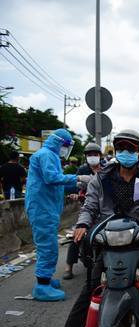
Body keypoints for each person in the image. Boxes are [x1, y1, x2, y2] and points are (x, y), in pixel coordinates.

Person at [35, 129, 139, 327]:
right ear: (116, 152)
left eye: (131, 149)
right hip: (108, 240)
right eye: (122, 149)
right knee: (89, 291)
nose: (126, 153)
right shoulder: (102, 178)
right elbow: (89, 206)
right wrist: (82, 225)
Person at [25, 129, 90, 301]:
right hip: (42, 208)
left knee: (47, 244)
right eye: (66, 146)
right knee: (48, 246)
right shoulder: (47, 155)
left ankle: (45, 279)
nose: (65, 149)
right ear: (60, 143)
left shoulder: (48, 154)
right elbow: (52, 178)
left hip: (44, 206)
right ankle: (42, 286)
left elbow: (55, 182)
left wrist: (75, 185)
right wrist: (78, 179)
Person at [63, 143, 104, 280]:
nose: (92, 157)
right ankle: (68, 267)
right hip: (87, 207)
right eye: (89, 155)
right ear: (86, 157)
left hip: (104, 209)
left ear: (100, 156)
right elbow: (75, 186)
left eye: (95, 154)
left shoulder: (106, 170)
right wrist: (74, 194)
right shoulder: (82, 170)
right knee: (78, 233)